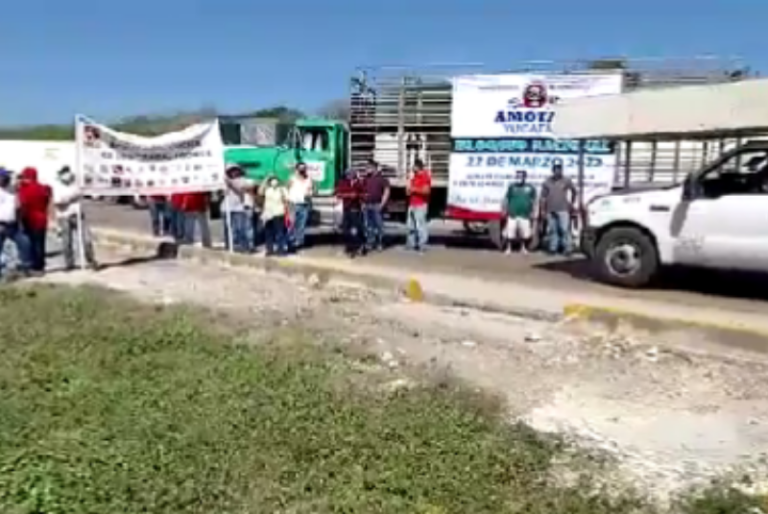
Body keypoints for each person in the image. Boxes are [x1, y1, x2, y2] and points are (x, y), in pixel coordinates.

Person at [52, 166, 98, 270]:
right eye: (64, 173)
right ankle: (69, 264)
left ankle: (91, 260)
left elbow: (80, 193)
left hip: (78, 214)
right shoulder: (57, 186)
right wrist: (71, 197)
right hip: (64, 216)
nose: (67, 176)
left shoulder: (75, 184)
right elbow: (58, 201)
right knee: (67, 241)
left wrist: (70, 197)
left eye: (68, 173)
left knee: (86, 239)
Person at [17, 167, 52, 275]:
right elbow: (47, 200)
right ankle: (40, 267)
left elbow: (22, 204)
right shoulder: (43, 188)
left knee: (31, 243)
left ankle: (33, 265)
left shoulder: (24, 189)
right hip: (41, 218)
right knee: (40, 243)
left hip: (29, 218)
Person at [540, 162, 577, 255]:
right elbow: (543, 197)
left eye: (559, 168)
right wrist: (543, 210)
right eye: (556, 168)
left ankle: (568, 248)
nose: (558, 170)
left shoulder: (566, 180)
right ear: (553, 170)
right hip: (550, 209)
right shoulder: (547, 181)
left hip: (563, 208)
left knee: (564, 229)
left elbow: (574, 191)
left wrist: (572, 203)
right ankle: (553, 248)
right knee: (553, 230)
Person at [0, 168, 30, 278]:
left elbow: (18, 207)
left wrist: (19, 220)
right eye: (3, 177)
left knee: (25, 243)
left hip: (13, 224)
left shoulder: (12, 192)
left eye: (6, 177)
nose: (5, 179)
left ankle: (26, 267)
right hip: (1, 224)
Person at [501, 170, 537, 254]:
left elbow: (534, 200)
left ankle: (523, 247)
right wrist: (504, 209)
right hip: (512, 213)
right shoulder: (512, 187)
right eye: (517, 176)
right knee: (510, 232)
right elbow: (506, 199)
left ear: (524, 177)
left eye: (521, 176)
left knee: (524, 233)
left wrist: (534, 212)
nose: (519, 178)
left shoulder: (530, 188)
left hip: (525, 214)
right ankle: (508, 248)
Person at [223, 164, 255, 253]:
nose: (233, 172)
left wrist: (229, 182)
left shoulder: (244, 180)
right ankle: (229, 246)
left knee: (241, 229)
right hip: (227, 208)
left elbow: (240, 189)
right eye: (231, 171)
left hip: (239, 208)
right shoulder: (224, 181)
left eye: (235, 170)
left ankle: (245, 247)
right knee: (228, 229)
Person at [337, 168, 366, 257]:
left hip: (356, 209)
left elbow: (365, 194)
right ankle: (349, 246)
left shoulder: (359, 183)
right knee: (345, 229)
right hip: (346, 209)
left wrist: (358, 196)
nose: (349, 175)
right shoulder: (343, 183)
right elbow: (338, 194)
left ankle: (358, 247)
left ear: (354, 174)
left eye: (351, 174)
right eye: (348, 174)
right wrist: (348, 195)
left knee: (356, 230)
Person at [362, 159, 390, 252]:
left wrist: (382, 204)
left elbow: (386, 191)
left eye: (368, 167)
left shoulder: (382, 178)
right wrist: (362, 203)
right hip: (366, 205)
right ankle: (370, 243)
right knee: (368, 226)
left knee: (379, 226)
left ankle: (380, 243)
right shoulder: (365, 178)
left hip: (377, 205)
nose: (367, 169)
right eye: (366, 167)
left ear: (374, 168)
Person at [286, 162, 314, 251]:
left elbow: (312, 190)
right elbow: (286, 189)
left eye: (304, 168)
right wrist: (287, 202)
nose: (302, 170)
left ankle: (298, 242)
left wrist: (310, 193)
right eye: (300, 168)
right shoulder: (292, 178)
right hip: (293, 204)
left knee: (301, 225)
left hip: (304, 205)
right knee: (291, 224)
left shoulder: (309, 179)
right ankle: (290, 241)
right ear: (297, 169)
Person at [406, 158, 431, 252]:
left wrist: (414, 189)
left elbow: (426, 191)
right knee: (410, 225)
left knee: (421, 225)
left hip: (421, 204)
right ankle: (411, 244)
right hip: (412, 204)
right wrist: (408, 187)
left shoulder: (425, 176)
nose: (412, 168)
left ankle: (422, 245)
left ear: (418, 166)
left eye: (414, 166)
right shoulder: (414, 177)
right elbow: (408, 192)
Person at [260, 175, 289, 256]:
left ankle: (280, 250)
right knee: (268, 233)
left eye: (275, 180)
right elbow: (260, 191)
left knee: (280, 232)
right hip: (268, 214)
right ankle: (269, 250)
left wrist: (287, 212)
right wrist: (266, 178)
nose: (274, 182)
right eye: (272, 180)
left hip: (279, 213)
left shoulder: (282, 189)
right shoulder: (267, 189)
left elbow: (287, 200)